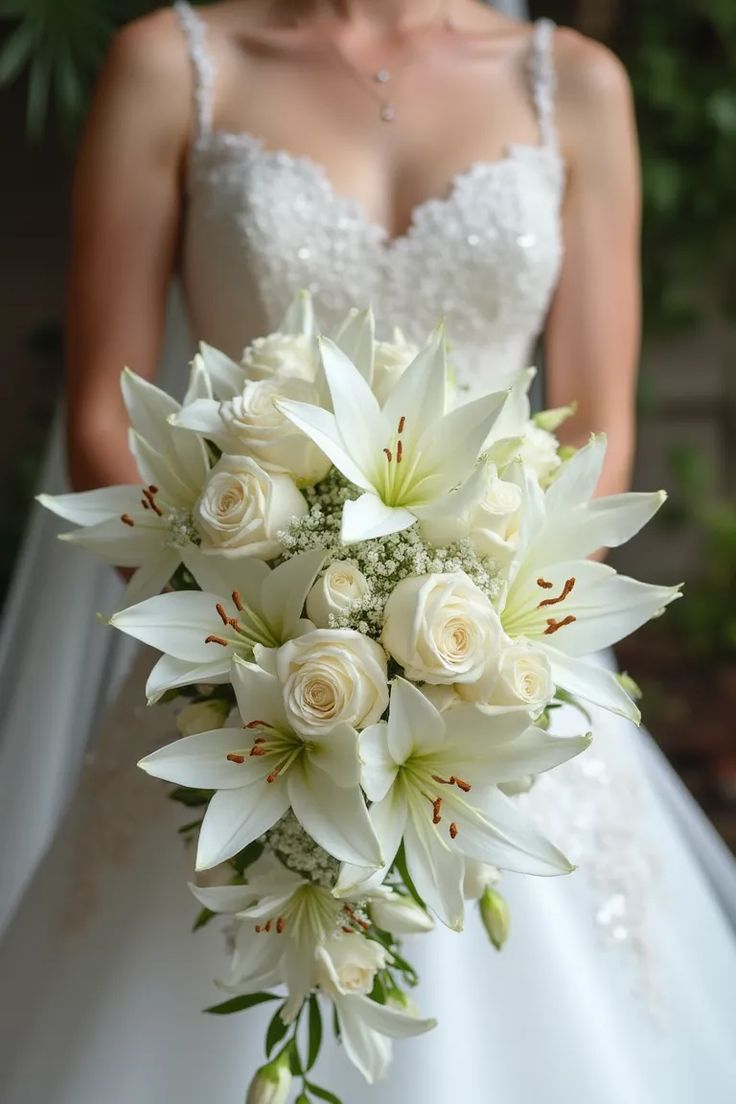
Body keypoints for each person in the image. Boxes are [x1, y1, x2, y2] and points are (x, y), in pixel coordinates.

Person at [1, 2, 735, 1101]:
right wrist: (277, 620)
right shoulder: (172, 65)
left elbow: (596, 430)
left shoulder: (574, 85)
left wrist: (460, 634)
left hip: (500, 669)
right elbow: (107, 418)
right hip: (239, 678)